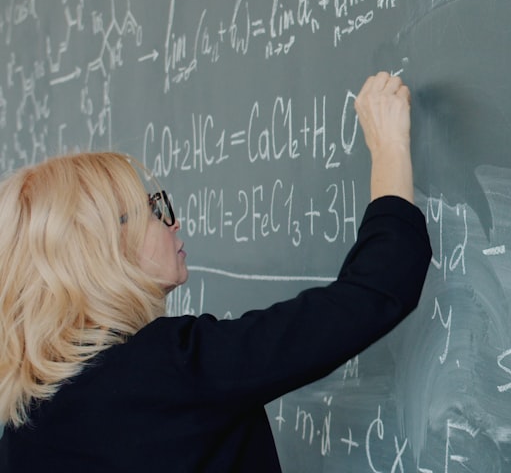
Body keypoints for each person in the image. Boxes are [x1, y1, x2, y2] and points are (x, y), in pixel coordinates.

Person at [0, 72, 431, 471]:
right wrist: (389, 146)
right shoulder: (168, 370)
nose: (173, 223)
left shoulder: (25, 421)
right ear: (105, 247)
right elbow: (375, 289)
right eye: (151, 210)